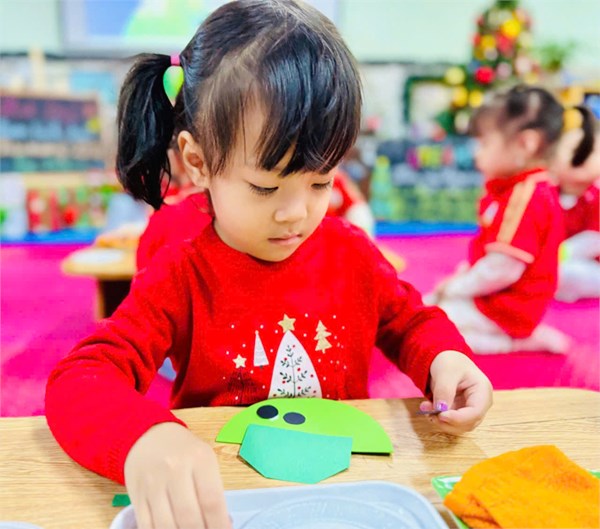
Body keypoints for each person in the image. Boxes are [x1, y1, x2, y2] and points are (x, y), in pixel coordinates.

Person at [45, 2, 492, 528]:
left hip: (345, 494)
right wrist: (144, 437)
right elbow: (81, 379)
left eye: (321, 182)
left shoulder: (351, 253)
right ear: (198, 162)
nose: (295, 213)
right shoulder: (181, 274)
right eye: (265, 186)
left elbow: (410, 321)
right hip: (226, 500)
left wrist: (444, 359)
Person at [426, 85, 584, 355]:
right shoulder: (517, 188)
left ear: (525, 144)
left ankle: (517, 340)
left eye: (484, 144)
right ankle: (520, 335)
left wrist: (456, 287)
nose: (476, 153)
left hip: (506, 308)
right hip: (496, 299)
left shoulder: (527, 195)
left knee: (432, 327)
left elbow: (503, 268)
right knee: (429, 309)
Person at [551, 106, 600, 302]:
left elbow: (594, 240)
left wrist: (557, 254)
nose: (583, 158)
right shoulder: (547, 194)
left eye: (592, 151)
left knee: (568, 273)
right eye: (575, 151)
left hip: (591, 267)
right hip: (554, 263)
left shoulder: (596, 196)